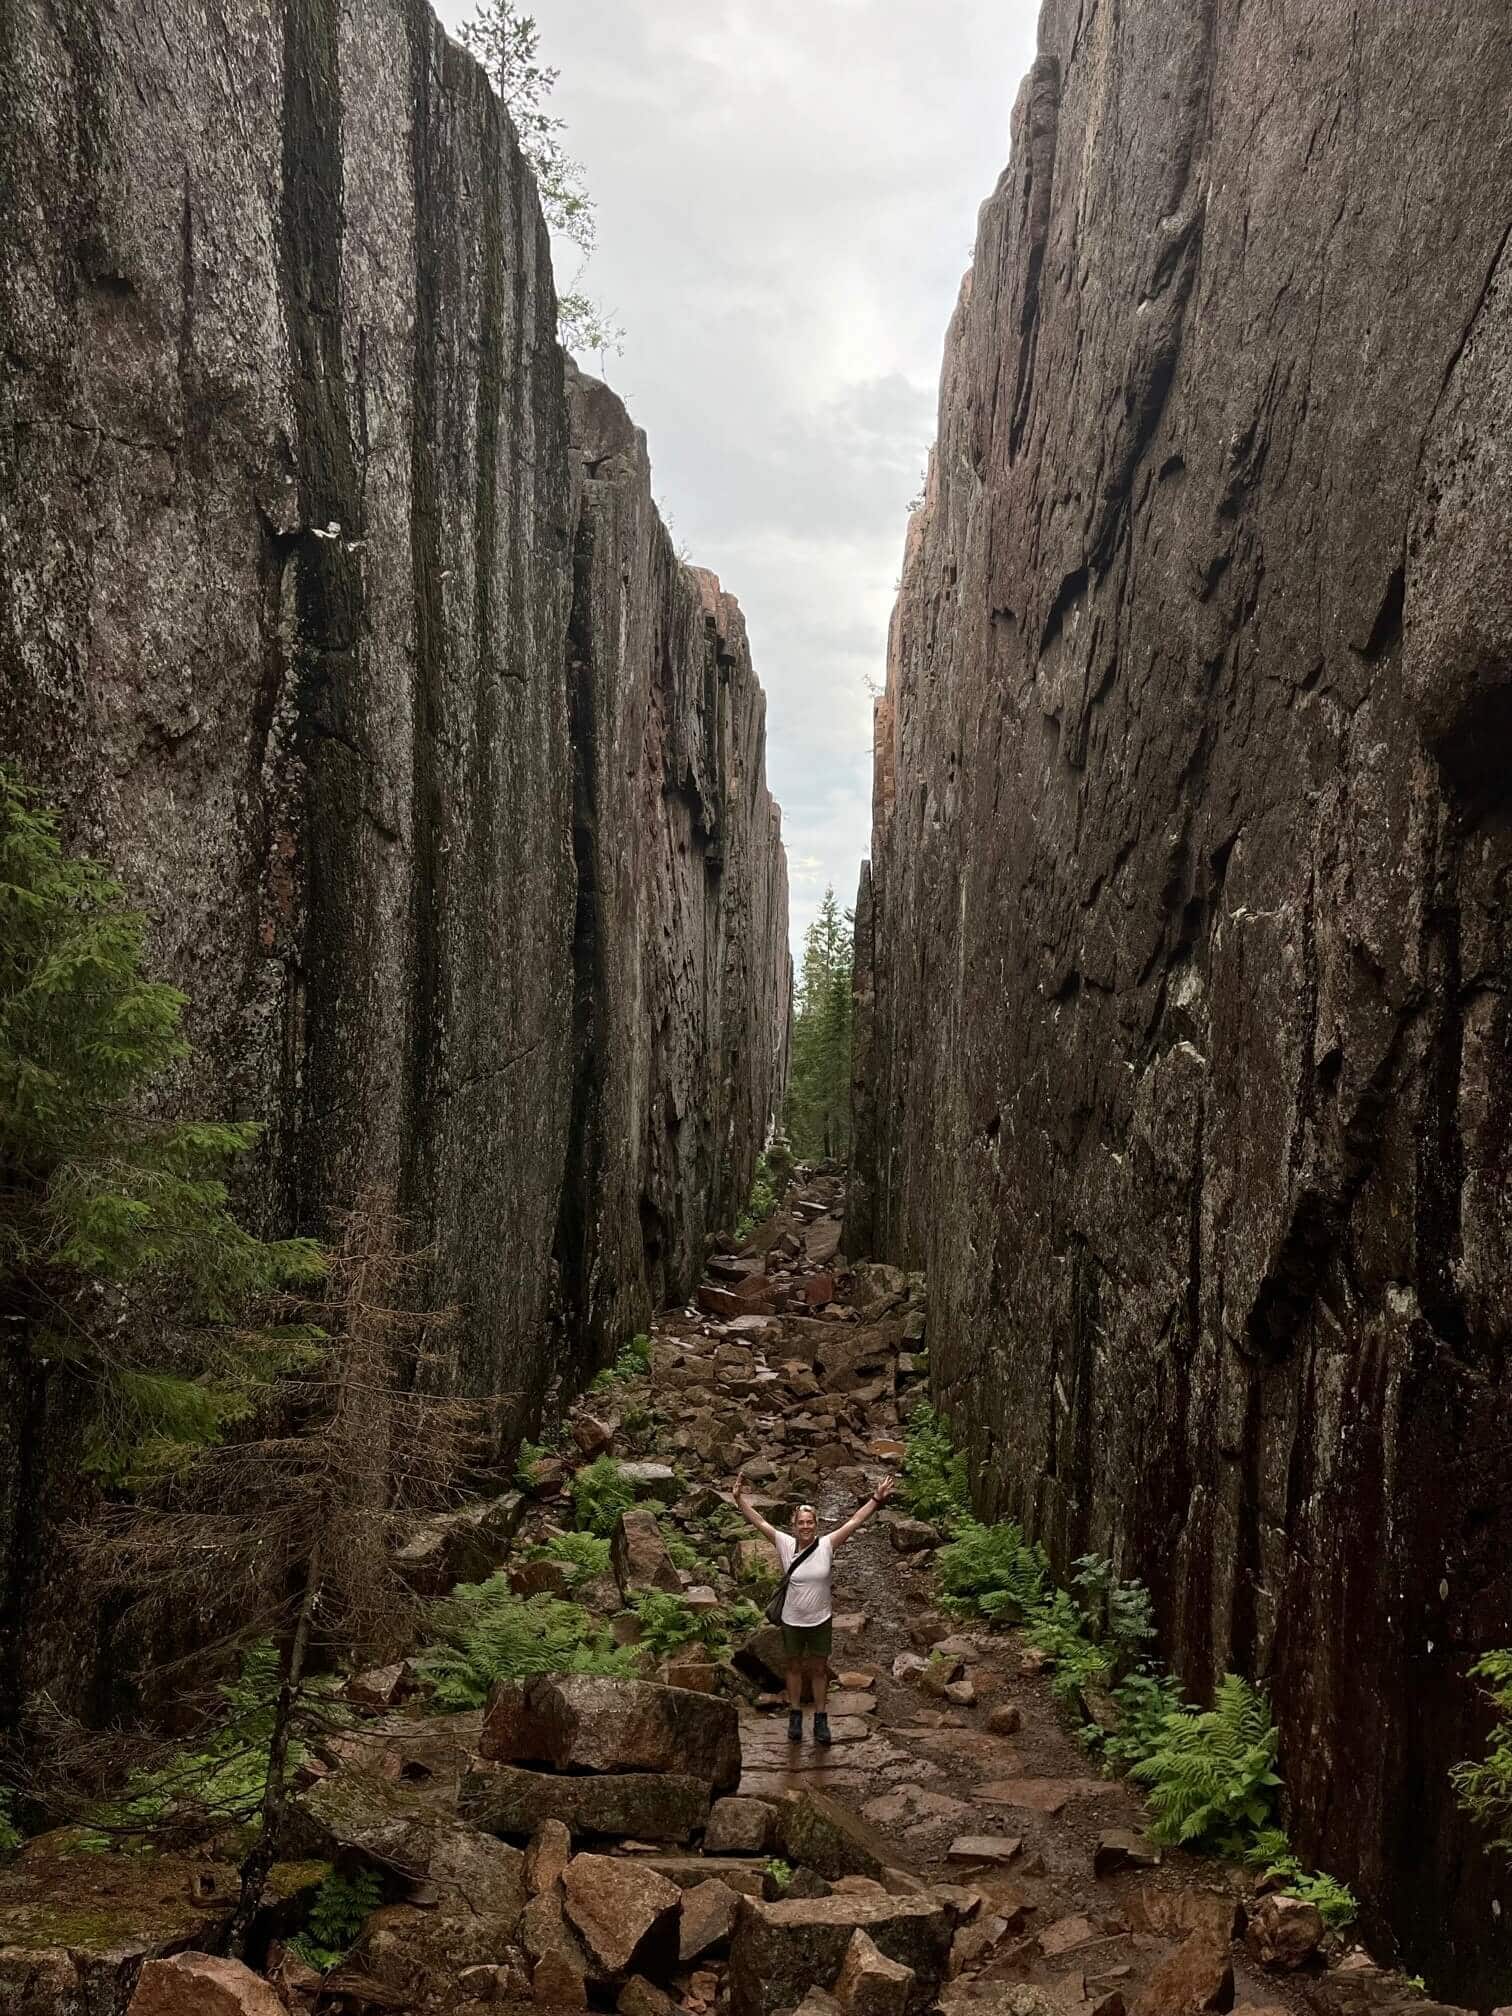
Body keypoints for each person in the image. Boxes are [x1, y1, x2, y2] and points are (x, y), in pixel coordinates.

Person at [733, 1471, 896, 1745]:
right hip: (792, 1620)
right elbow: (759, 1521)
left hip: (820, 1619)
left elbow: (855, 1521)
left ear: (816, 1525)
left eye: (810, 1522)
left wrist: (876, 1499)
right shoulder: (785, 1544)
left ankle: (821, 1718)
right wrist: (739, 1499)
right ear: (794, 1525)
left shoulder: (827, 1545)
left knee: (819, 1670)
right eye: (801, 1523)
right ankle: (795, 1715)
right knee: (794, 1667)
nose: (805, 1527)